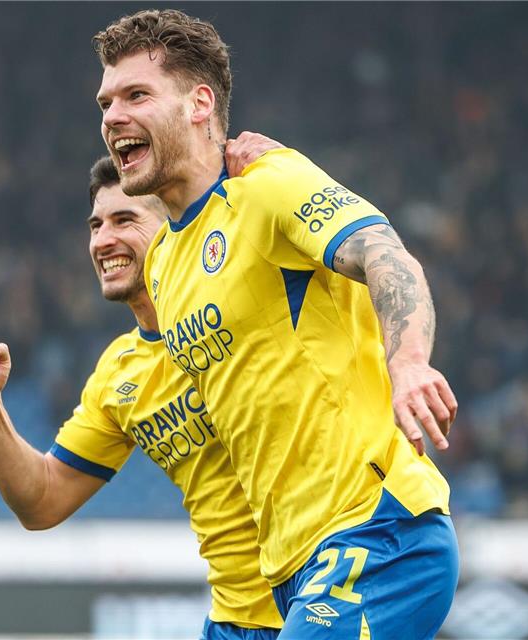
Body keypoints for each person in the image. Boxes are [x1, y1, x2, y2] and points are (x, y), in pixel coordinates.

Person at [93, 9, 460, 638]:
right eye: (105, 102)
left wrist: (407, 362)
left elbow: (384, 254)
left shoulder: (268, 186)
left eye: (136, 95)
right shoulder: (168, 264)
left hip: (378, 531)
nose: (111, 117)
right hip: (285, 574)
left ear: (199, 104)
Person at [0, 140, 285, 639]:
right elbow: (42, 500)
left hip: (321, 593)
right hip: (234, 620)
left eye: (124, 220)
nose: (102, 240)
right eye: (95, 226)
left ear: (173, 226)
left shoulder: (244, 301)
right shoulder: (119, 374)